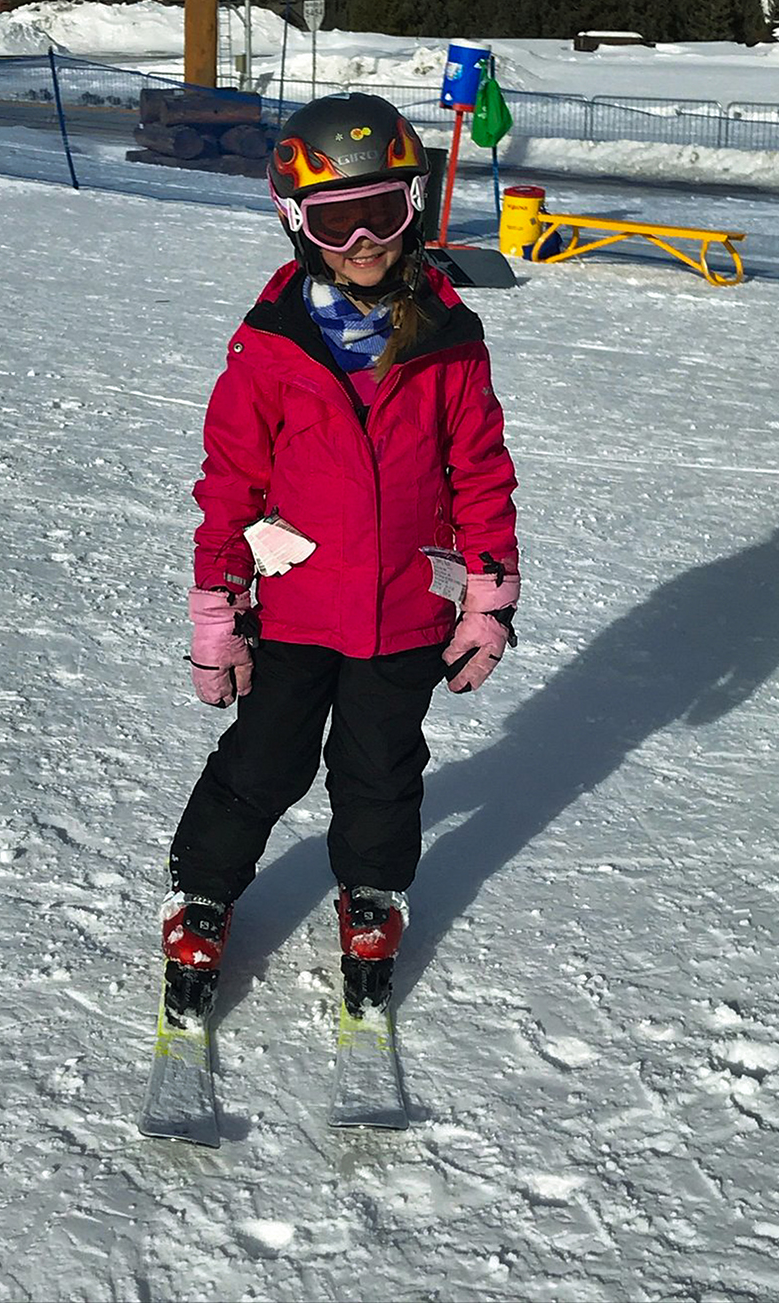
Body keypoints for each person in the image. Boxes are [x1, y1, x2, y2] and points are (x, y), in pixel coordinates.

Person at [161, 93, 520, 1024]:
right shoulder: (270, 349)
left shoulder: (449, 343)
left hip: (405, 611)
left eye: (382, 213)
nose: (363, 241)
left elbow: (481, 473)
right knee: (264, 762)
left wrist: (486, 597)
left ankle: (371, 893)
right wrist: (218, 606)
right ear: (297, 223)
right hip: (294, 610)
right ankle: (203, 892)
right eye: (336, 221)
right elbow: (230, 484)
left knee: (380, 770)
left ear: (414, 207)